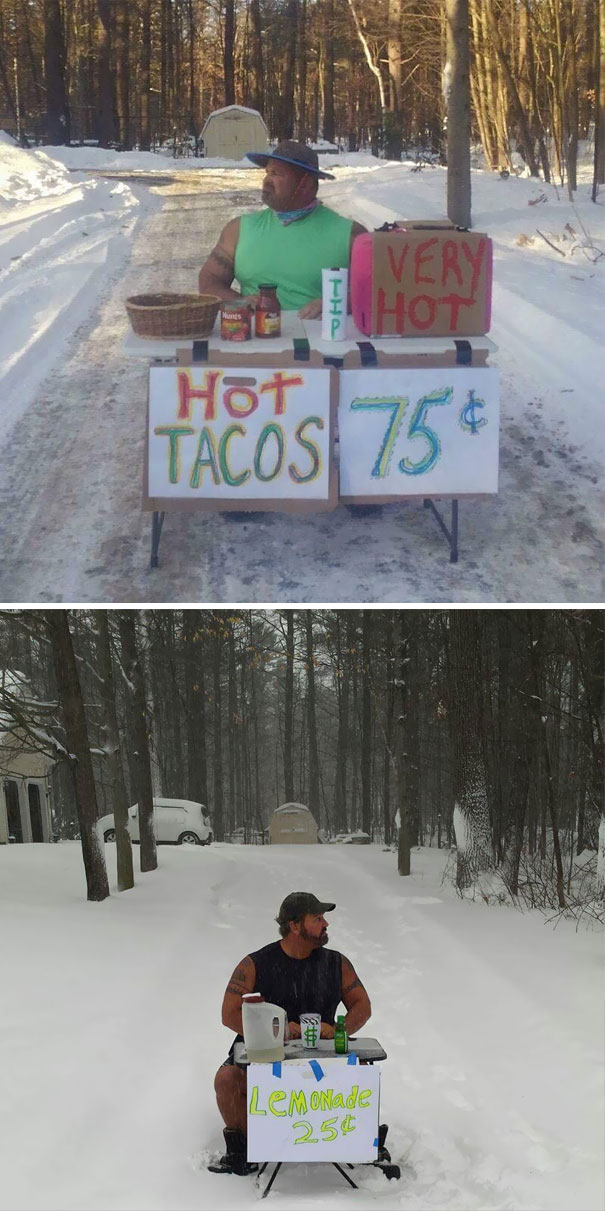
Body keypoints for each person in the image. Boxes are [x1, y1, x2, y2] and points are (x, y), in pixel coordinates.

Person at [210, 891, 372, 1176]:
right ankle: (243, 1148)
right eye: (318, 918)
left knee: (361, 1070)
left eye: (324, 918)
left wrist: (336, 1031)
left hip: (321, 1057)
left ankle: (355, 1140)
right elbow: (229, 1013)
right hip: (264, 1056)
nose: (326, 925)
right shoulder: (255, 963)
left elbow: (363, 1006)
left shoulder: (337, 963)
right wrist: (276, 1031)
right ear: (295, 926)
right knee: (226, 1079)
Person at [198, 141, 366, 318]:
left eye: (276, 174)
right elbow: (209, 280)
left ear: (305, 184)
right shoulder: (239, 230)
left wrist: (336, 303)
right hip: (254, 341)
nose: (267, 181)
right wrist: (240, 302)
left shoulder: (351, 235)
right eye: (267, 173)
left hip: (322, 340)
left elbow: (381, 291)